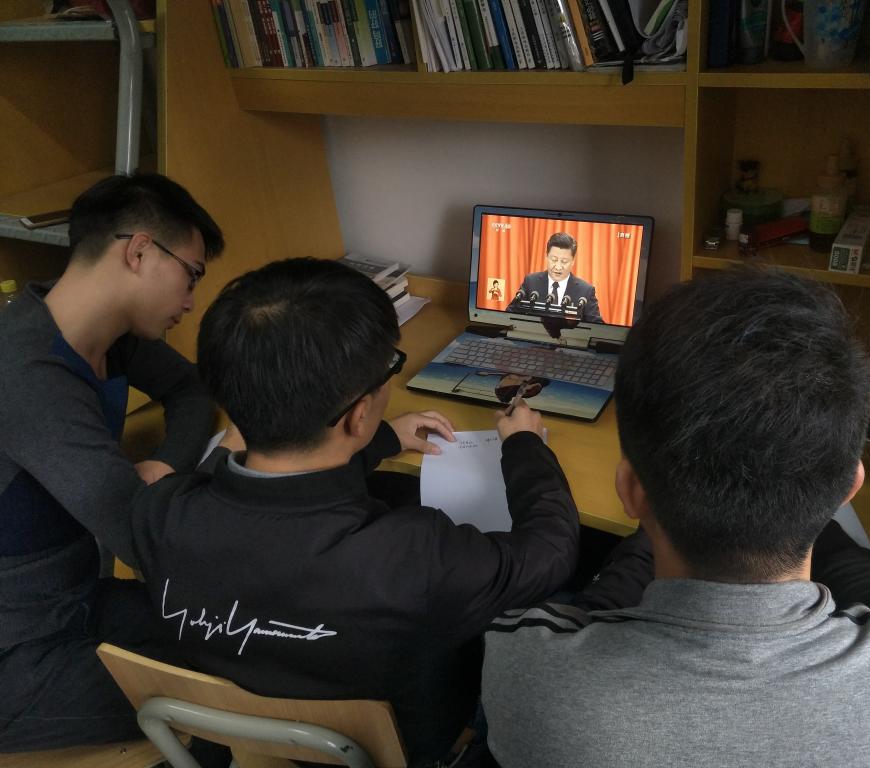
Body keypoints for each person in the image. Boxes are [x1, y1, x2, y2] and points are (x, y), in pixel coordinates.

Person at [482, 267, 870, 767]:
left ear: (631, 492)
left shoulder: (528, 668)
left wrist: (661, 510)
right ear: (848, 489)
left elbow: (597, 611)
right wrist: (804, 500)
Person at [129, 258, 580, 767]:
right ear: (359, 413)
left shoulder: (158, 515)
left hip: (249, 747)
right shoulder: (412, 556)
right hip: (412, 747)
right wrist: (525, 446)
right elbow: (552, 551)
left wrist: (378, 440)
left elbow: (248, 491)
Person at [0, 173, 223, 752]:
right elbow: (137, 533)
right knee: (231, 686)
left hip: (73, 601)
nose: (190, 300)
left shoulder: (106, 335)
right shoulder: (28, 371)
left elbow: (193, 391)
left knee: (238, 645)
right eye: (191, 274)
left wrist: (166, 464)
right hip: (15, 651)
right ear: (140, 251)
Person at [507, 233, 603, 323]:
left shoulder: (585, 291)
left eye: (564, 261)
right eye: (554, 259)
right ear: (546, 256)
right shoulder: (531, 282)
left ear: (573, 261)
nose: (558, 267)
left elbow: (598, 328)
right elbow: (509, 316)